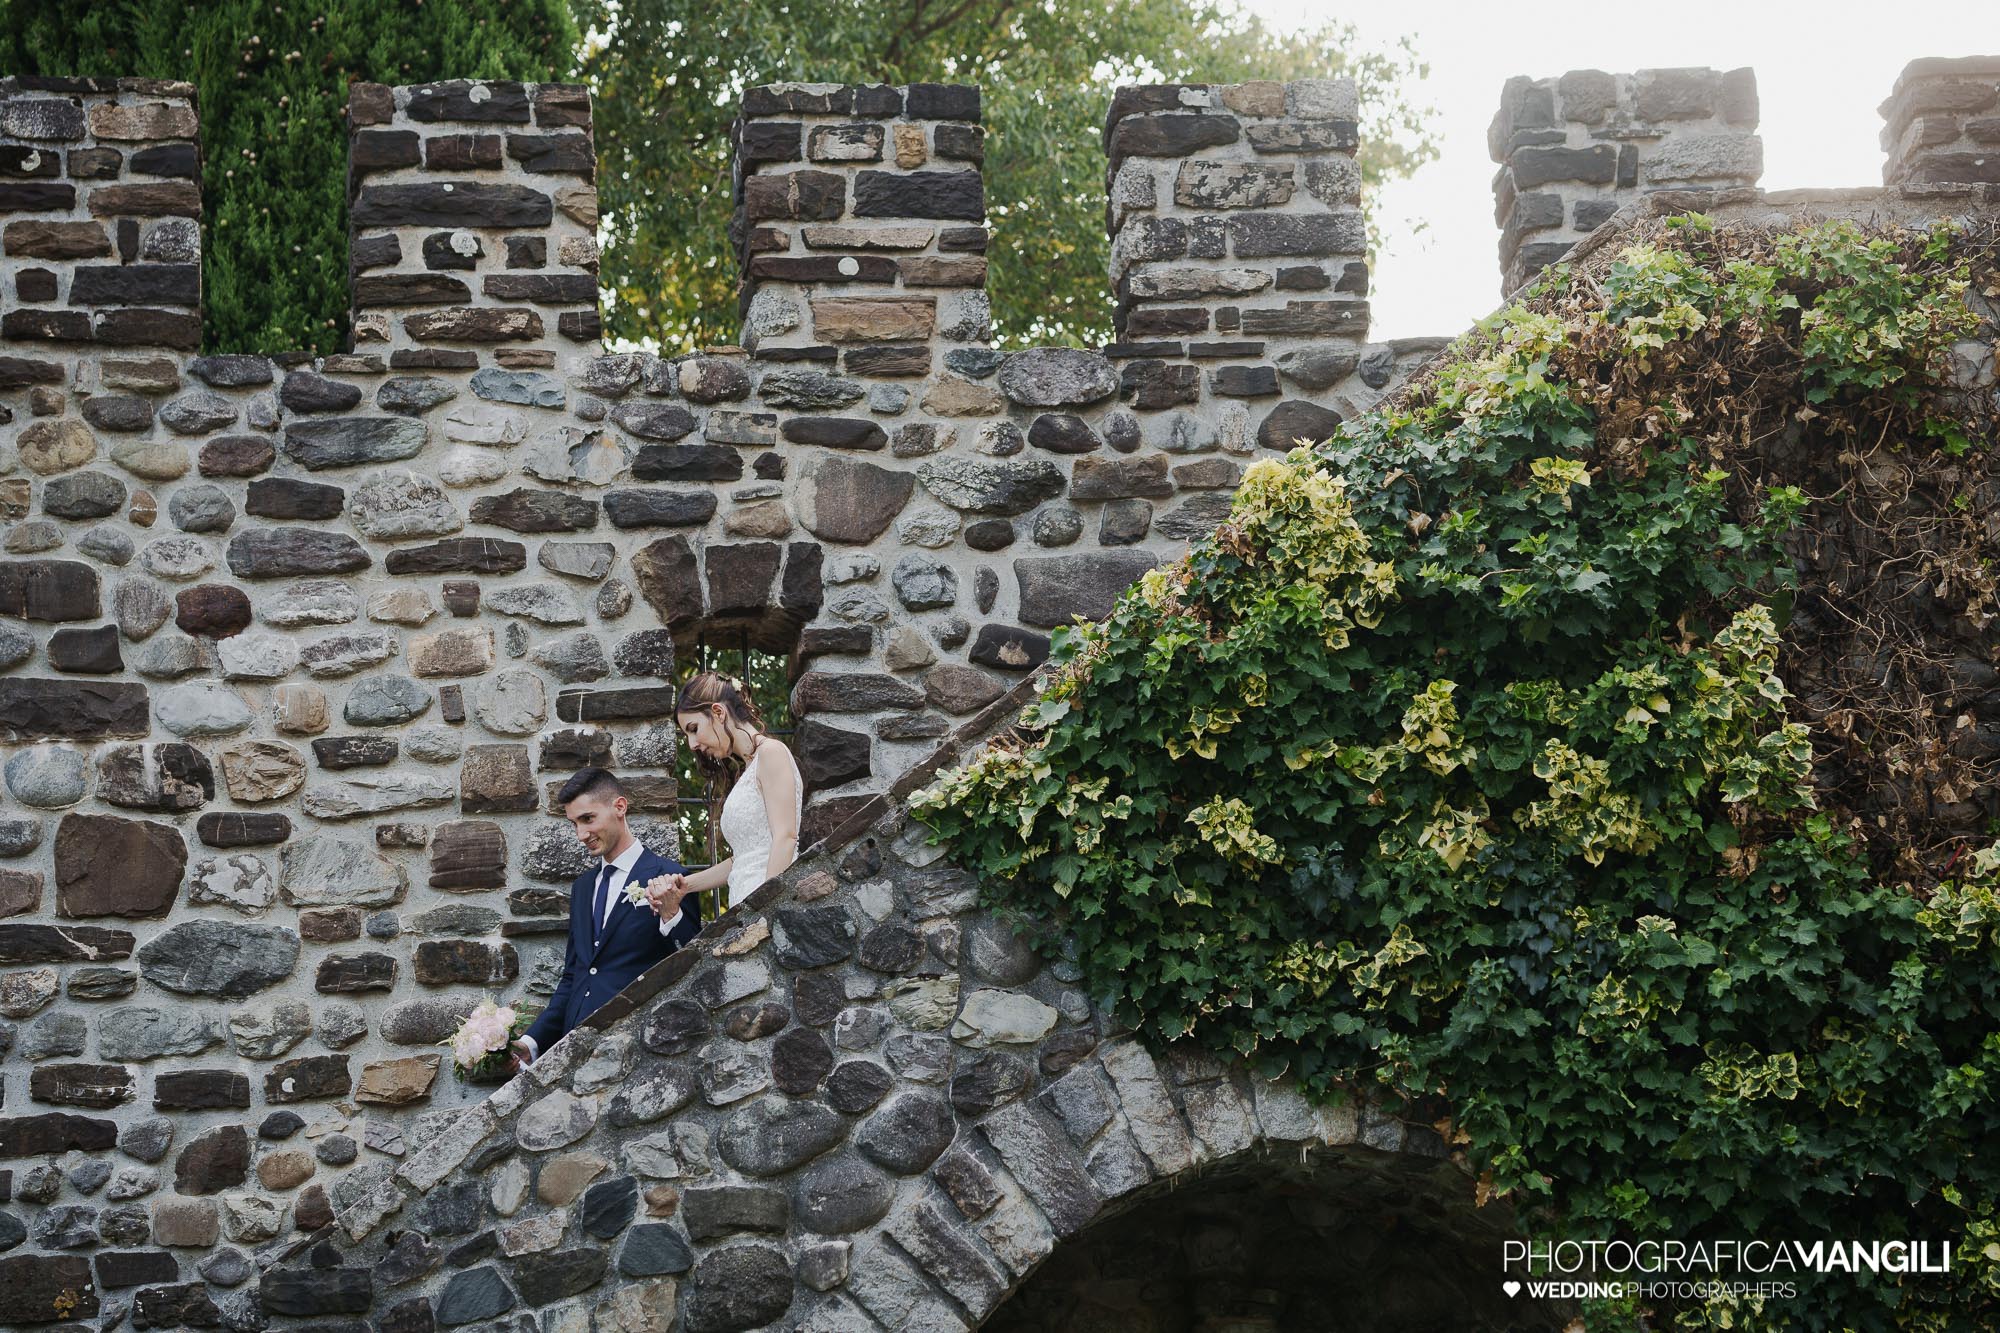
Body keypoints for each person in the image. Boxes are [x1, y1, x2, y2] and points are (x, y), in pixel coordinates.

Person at [512, 768, 700, 1068]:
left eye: (588, 819)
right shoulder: (583, 888)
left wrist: (671, 913)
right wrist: (531, 1042)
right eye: (574, 823)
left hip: (635, 1053)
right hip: (573, 1056)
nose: (581, 834)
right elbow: (576, 976)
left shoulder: (670, 877)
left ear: (620, 807)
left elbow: (691, 963)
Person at [646, 670, 803, 919]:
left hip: (768, 909)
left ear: (718, 713)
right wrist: (686, 886)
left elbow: (785, 837)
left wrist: (764, 913)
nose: (692, 744)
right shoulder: (747, 771)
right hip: (745, 906)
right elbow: (743, 860)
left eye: (694, 728)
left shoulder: (772, 753)